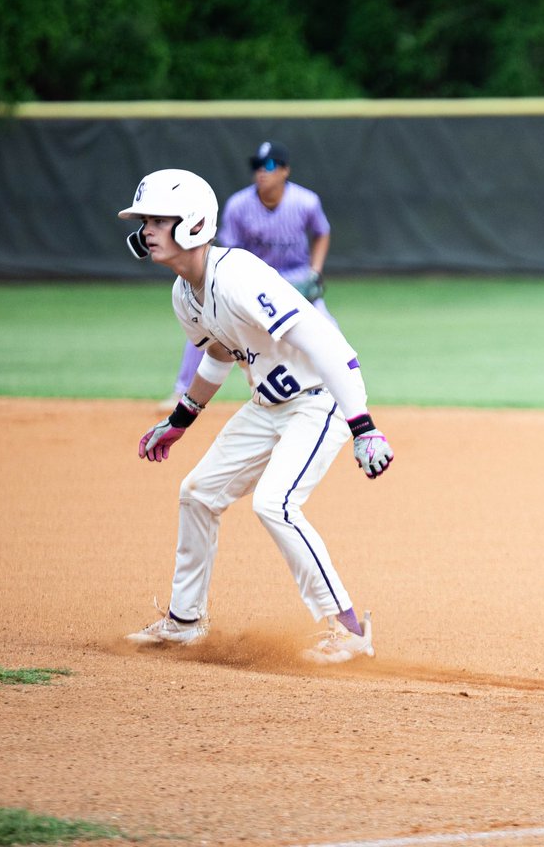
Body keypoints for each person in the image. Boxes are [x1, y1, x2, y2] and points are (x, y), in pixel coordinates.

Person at [120, 167, 393, 664]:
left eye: (159, 220)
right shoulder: (185, 294)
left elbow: (323, 341)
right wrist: (180, 421)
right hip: (269, 406)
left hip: (319, 400)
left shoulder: (239, 275)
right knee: (198, 493)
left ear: (193, 225)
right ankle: (184, 621)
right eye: (145, 222)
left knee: (275, 503)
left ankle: (350, 629)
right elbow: (219, 355)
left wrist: (363, 426)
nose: (147, 231)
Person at [161, 141, 334, 408]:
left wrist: (315, 270)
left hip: (295, 279)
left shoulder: (306, 201)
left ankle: (336, 390)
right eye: (257, 166)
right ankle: (181, 391)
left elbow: (322, 231)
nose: (261, 172)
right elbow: (227, 251)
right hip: (253, 280)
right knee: (208, 328)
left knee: (328, 328)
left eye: (269, 165)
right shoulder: (239, 205)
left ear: (285, 170)